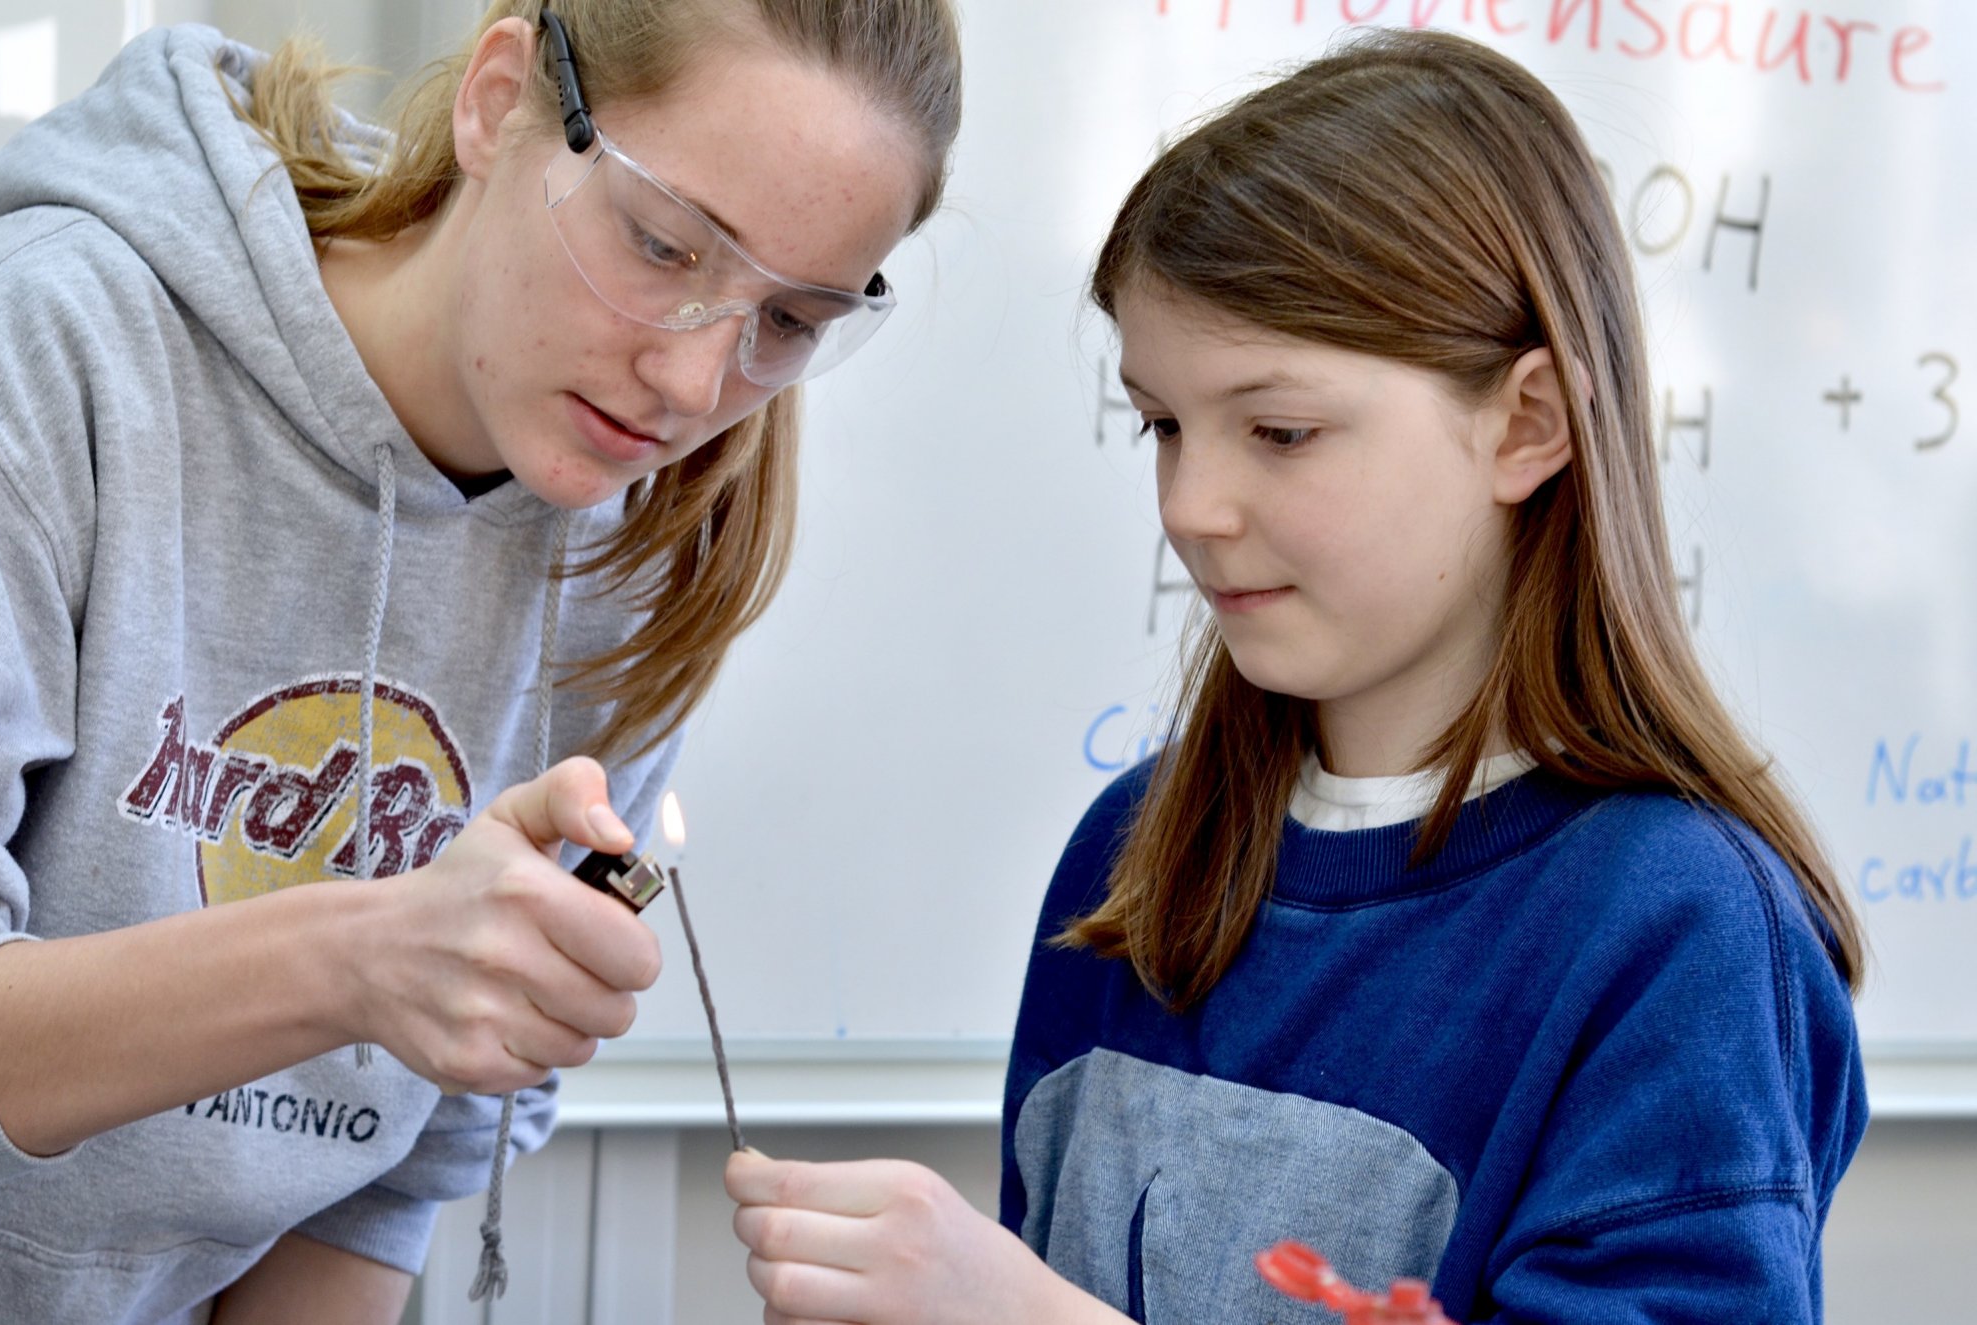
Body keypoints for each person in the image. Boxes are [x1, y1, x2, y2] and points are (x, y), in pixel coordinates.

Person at [726, 27, 1866, 1325]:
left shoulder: (1680, 934)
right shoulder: (1137, 860)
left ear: (1528, 424)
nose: (1191, 505)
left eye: (1279, 430)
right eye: (1164, 424)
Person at [0, 0, 958, 1318]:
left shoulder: (649, 540)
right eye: (662, 244)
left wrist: (420, 993)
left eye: (787, 321)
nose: (691, 384)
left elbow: (389, 1173)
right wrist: (358, 963)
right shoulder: (51, 341)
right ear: (499, 101)